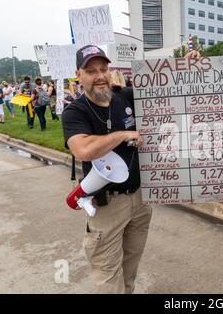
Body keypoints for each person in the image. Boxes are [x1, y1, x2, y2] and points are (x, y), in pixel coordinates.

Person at [61, 45, 151, 293]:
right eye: (91, 71)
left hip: (141, 200)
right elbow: (83, 149)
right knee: (107, 275)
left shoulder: (125, 96)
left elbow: (167, 91)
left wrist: (187, 65)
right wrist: (123, 135)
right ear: (78, 74)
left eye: (104, 69)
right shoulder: (75, 112)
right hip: (107, 206)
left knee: (130, 268)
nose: (100, 76)